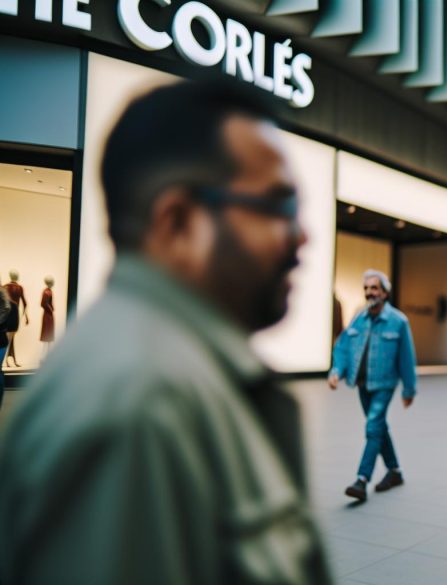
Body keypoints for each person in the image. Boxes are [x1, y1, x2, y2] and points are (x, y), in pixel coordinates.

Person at [0, 80, 330, 584]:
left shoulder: (176, 377)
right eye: (279, 206)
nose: (303, 234)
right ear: (177, 223)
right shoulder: (139, 403)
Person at [328, 269, 417, 502]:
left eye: (374, 288)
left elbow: (407, 358)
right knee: (378, 428)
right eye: (366, 288)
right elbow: (343, 346)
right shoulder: (359, 317)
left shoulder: (398, 321)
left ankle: (361, 480)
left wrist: (409, 389)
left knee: (373, 426)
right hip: (362, 383)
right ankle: (395, 471)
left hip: (385, 384)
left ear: (385, 293)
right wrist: (336, 371)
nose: (370, 293)